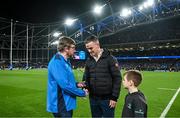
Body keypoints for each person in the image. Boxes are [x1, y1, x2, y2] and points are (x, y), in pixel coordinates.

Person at [47, 36, 88, 117]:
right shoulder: (57, 62)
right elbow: (65, 85)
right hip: (61, 104)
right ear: (66, 48)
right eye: (73, 47)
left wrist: (77, 84)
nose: (75, 50)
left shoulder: (65, 61)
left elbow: (65, 81)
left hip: (66, 103)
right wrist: (82, 93)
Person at [82, 35, 122, 117]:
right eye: (87, 48)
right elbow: (86, 76)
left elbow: (117, 78)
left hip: (107, 99)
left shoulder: (110, 59)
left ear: (97, 45)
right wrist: (85, 88)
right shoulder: (89, 60)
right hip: (93, 98)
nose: (89, 51)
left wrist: (114, 97)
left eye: (91, 48)